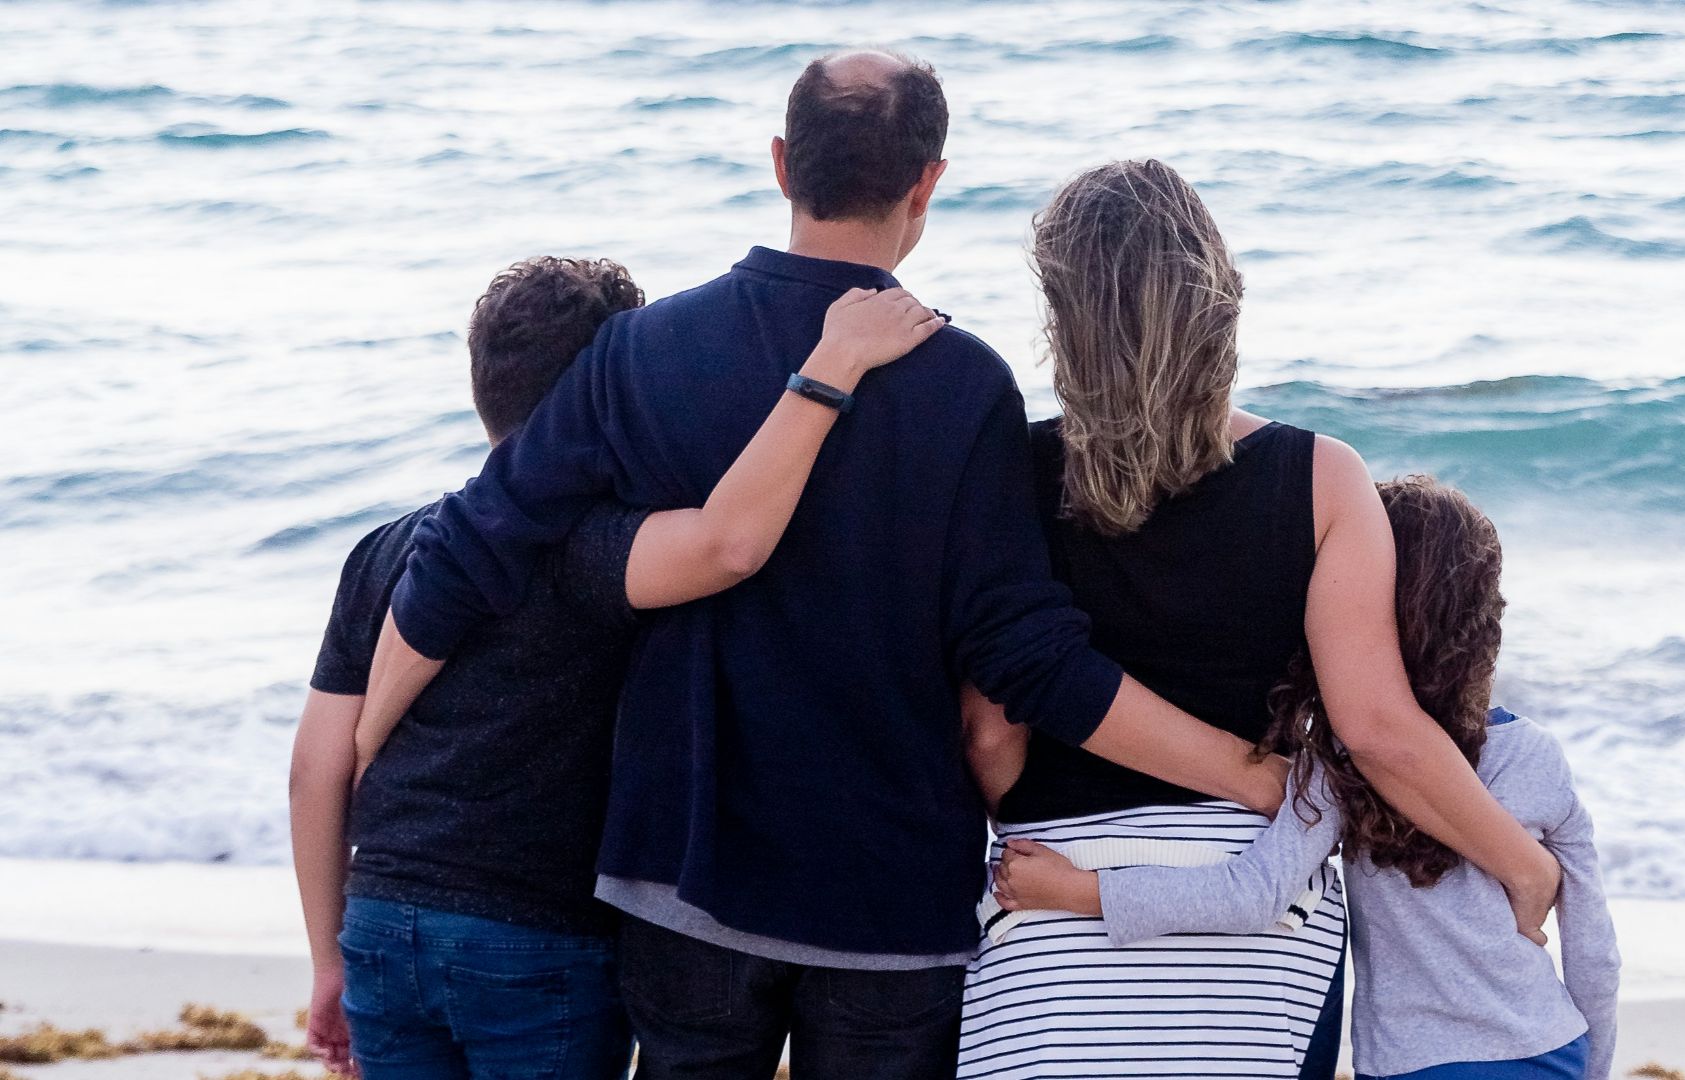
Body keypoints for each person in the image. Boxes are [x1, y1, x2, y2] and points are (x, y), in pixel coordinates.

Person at [352, 50, 1304, 1080]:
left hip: (682, 877)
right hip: (887, 899)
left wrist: (367, 743)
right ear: (929, 180)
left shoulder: (642, 351)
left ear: (778, 163)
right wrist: (1250, 776)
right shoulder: (965, 385)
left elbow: (474, 547)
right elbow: (1027, 660)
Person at [951, 161, 1565, 1080]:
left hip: (1054, 911)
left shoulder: (1010, 473)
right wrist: (1522, 866)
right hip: (1260, 928)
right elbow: (1381, 734)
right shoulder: (1322, 476)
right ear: (1219, 300)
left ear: (1063, 319)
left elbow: (990, 737)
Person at [289, 256, 943, 1078]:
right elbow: (725, 543)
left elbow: (315, 770)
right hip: (536, 938)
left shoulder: (384, 551)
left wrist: (328, 960)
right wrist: (829, 368)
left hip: (381, 922)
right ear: (613, 391)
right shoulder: (596, 550)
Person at [994, 476, 1622, 1080]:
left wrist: (1079, 890)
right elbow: (1594, 954)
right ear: (1484, 616)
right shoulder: (1537, 755)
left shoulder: (1342, 763)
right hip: (1549, 1047)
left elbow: (1251, 894)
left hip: (1412, 1062)